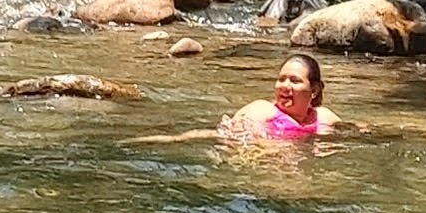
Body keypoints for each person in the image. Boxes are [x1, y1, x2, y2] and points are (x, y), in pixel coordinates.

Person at [145, 52, 355, 148]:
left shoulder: (323, 117)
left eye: (294, 80)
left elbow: (359, 131)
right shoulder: (263, 111)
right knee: (179, 140)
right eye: (281, 79)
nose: (284, 86)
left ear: (314, 90)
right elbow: (232, 138)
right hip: (262, 165)